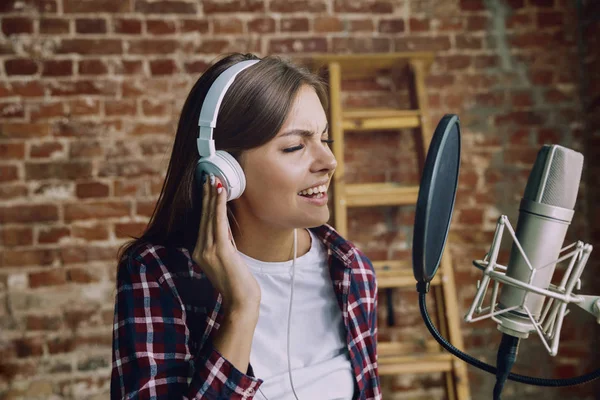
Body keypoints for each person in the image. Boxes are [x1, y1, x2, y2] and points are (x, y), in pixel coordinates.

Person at [110, 53, 380, 400]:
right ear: (223, 171)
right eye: (295, 146)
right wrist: (241, 309)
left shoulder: (351, 270)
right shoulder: (159, 276)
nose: (330, 162)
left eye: (324, 139)